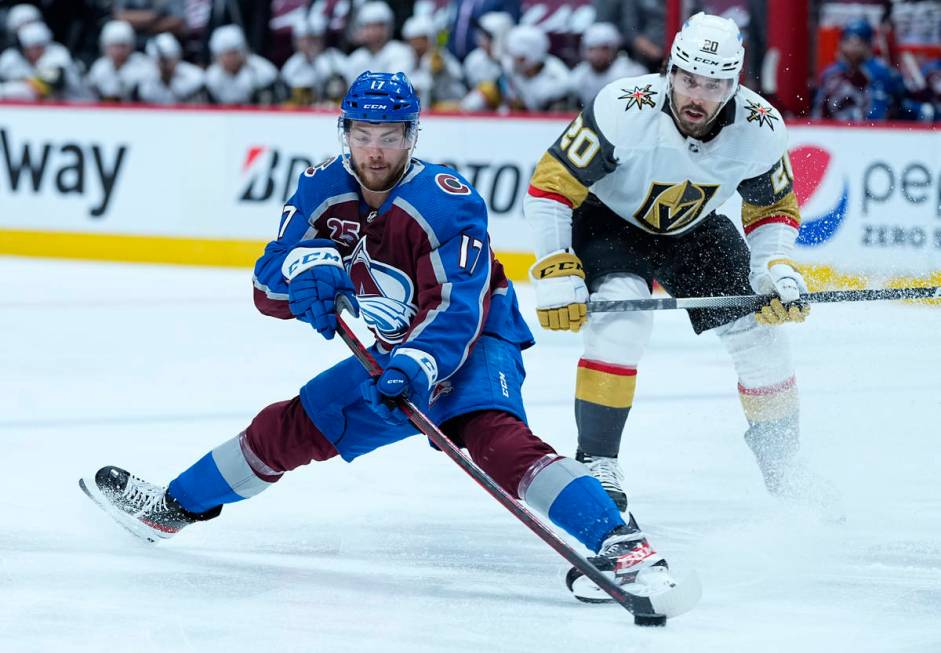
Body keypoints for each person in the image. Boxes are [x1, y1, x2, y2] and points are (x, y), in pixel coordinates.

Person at [78, 71, 693, 608]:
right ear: (345, 132)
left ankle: (622, 544)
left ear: (412, 136)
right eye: (363, 136)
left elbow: (457, 307)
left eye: (390, 136)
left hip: (476, 338)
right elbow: (268, 283)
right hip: (394, 348)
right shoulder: (321, 188)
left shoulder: (446, 201)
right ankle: (174, 508)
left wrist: (419, 365)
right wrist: (304, 272)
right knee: (290, 426)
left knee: (494, 439)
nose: (375, 151)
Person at [523, 13, 837, 513]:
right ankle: (597, 462)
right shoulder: (622, 106)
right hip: (608, 219)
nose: (697, 95)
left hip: (695, 228)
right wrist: (556, 263)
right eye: (688, 78)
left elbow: (772, 208)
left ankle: (784, 464)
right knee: (622, 318)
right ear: (670, 70)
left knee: (759, 332)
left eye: (714, 85)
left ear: (735, 83)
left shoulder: (761, 127)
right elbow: (550, 185)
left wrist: (773, 267)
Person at [811, 18, 906, 121]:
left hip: (872, 130)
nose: (853, 47)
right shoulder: (831, 73)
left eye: (858, 42)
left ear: (868, 44)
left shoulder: (881, 71)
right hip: (836, 129)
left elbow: (883, 109)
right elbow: (818, 110)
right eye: (848, 41)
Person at [570, 22, 646, 109]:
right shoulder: (580, 74)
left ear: (614, 50)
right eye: (592, 49)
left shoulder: (632, 73)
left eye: (603, 49)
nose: (597, 54)